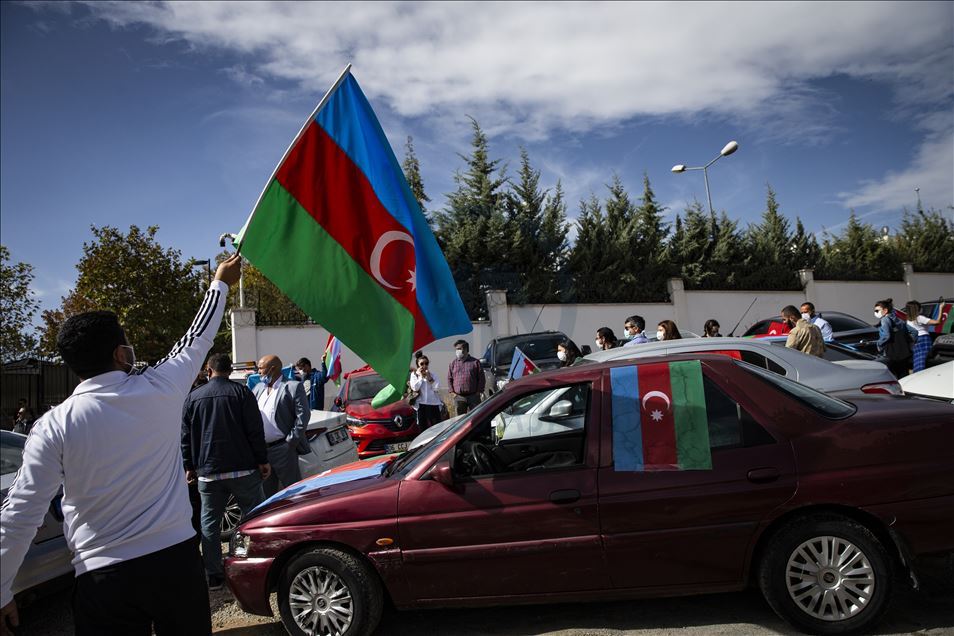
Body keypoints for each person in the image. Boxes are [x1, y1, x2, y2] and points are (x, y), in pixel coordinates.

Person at [0, 253, 241, 636]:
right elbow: (198, 336)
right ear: (118, 353)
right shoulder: (160, 386)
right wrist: (221, 282)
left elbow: (21, 514)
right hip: (176, 563)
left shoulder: (52, 426)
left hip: (103, 578)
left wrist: (0, 588)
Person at [181, 353, 270, 591]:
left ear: (208, 371)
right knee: (254, 519)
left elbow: (186, 437)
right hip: (243, 470)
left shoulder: (193, 398)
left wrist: (189, 466)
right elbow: (255, 430)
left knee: (209, 524)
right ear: (229, 371)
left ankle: (215, 575)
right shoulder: (242, 393)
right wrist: (262, 460)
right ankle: (253, 566)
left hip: (208, 473)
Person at [252, 355, 311, 497]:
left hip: (283, 449)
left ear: (272, 368)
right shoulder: (259, 388)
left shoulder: (292, 386)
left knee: (294, 493)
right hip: (263, 452)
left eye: (261, 368)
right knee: (267, 496)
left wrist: (290, 441)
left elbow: (303, 416)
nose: (258, 371)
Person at [874, 298, 917, 379]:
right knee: (904, 374)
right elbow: (914, 332)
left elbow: (886, 336)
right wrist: (910, 343)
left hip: (892, 352)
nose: (875, 313)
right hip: (904, 352)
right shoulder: (898, 319)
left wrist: (879, 344)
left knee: (893, 375)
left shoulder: (885, 319)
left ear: (885, 310)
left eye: (877, 311)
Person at [447, 340, 484, 415]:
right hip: (459, 397)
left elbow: (481, 378)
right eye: (456, 349)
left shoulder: (475, 362)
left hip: (473, 396)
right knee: (460, 420)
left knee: (477, 417)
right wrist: (453, 393)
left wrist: (478, 392)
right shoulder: (453, 363)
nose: (457, 351)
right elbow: (449, 378)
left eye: (459, 349)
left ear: (466, 349)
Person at [905, 300, 941, 373]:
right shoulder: (920, 318)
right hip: (924, 339)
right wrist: (941, 308)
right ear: (917, 308)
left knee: (918, 361)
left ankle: (917, 375)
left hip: (915, 340)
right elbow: (937, 322)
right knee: (926, 360)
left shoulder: (908, 320)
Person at [409, 355, 442, 430]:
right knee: (423, 429)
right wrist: (420, 377)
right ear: (418, 365)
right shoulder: (414, 375)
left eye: (426, 363)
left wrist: (429, 378)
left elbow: (436, 388)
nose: (424, 366)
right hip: (421, 405)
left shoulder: (433, 375)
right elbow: (415, 388)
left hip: (433, 404)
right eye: (422, 364)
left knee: (437, 428)